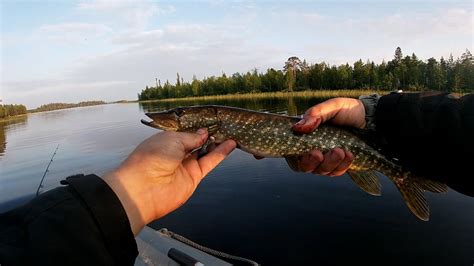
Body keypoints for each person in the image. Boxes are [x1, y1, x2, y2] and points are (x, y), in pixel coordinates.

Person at [0, 92, 472, 265]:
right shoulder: (214, 131)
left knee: (352, 164)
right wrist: (371, 112)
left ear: (202, 120)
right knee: (328, 159)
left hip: (365, 145)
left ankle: (394, 174)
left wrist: (372, 119)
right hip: (375, 132)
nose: (171, 119)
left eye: (181, 116)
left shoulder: (214, 126)